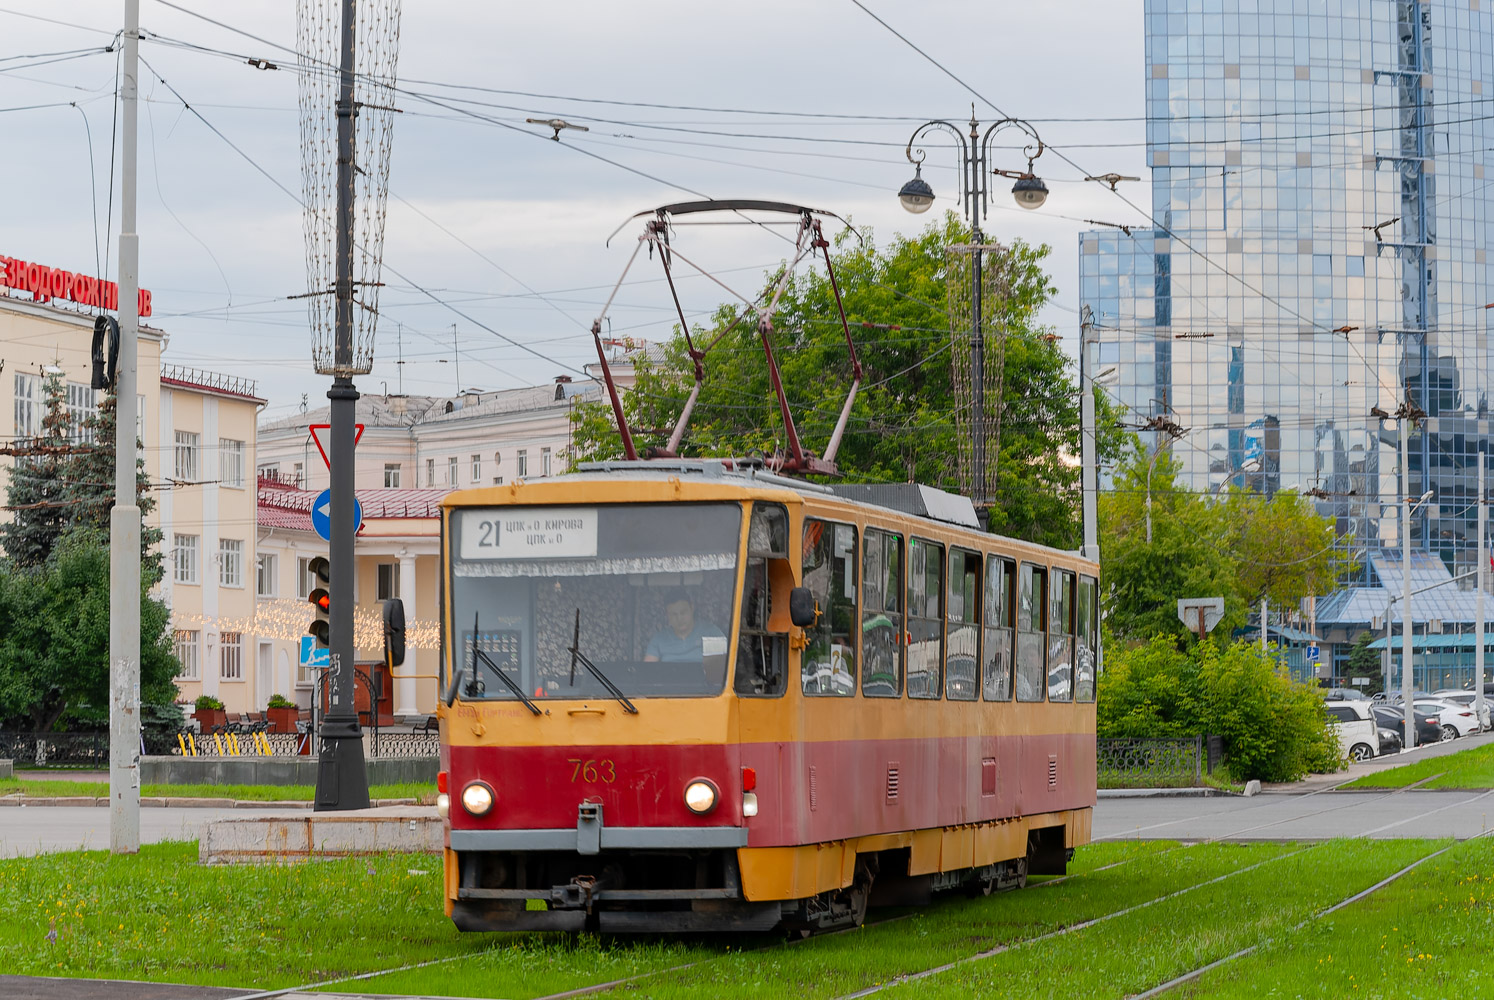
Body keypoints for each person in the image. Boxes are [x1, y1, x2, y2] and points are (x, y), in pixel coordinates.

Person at [644, 589, 725, 662]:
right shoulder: (659, 639)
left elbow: (720, 669)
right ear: (667, 615)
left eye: (683, 613)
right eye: (674, 614)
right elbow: (648, 670)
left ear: (692, 608)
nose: (679, 619)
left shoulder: (711, 633)